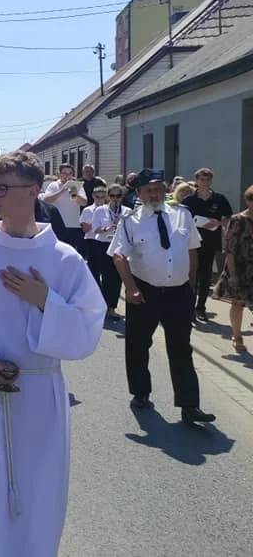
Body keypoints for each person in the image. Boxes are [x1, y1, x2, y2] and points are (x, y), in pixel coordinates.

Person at [0, 151, 106, 557]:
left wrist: (46, 300)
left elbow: (89, 324)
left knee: (40, 489)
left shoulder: (63, 258)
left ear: (33, 191)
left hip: (41, 393)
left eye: (2, 188)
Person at [108, 169, 215, 425]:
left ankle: (190, 406)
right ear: (139, 193)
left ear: (165, 189)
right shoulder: (130, 221)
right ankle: (141, 392)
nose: (154, 193)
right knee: (138, 345)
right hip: (144, 292)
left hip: (178, 293)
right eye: (148, 190)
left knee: (181, 348)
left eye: (158, 188)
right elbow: (118, 256)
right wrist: (131, 288)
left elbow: (192, 250)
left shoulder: (183, 215)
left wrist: (190, 285)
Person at [181, 168, 234, 321]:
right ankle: (189, 308)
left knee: (205, 277)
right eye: (202, 179)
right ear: (196, 181)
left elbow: (228, 218)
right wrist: (195, 223)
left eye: (207, 179)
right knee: (192, 276)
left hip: (210, 242)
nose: (204, 182)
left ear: (211, 181)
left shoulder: (219, 199)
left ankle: (201, 307)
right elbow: (181, 220)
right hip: (192, 244)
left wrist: (218, 222)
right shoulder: (189, 200)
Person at [214, 186, 253, 352]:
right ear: (248, 201)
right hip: (240, 267)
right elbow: (229, 249)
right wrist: (233, 274)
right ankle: (237, 336)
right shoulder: (238, 220)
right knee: (238, 303)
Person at [90, 185, 131, 321]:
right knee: (106, 278)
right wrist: (105, 229)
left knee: (117, 278)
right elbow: (95, 230)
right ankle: (104, 306)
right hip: (103, 245)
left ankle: (112, 308)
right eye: (112, 196)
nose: (115, 199)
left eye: (118, 196)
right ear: (108, 196)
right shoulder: (100, 210)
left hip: (120, 246)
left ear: (121, 197)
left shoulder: (127, 211)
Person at [40, 164, 87, 250]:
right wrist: (61, 191)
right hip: (57, 225)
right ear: (59, 174)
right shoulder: (53, 185)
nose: (67, 176)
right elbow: (46, 200)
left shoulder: (76, 186)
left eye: (70, 173)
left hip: (73, 226)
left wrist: (75, 193)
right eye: (64, 173)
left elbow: (84, 203)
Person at [79, 185, 107, 265]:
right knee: (93, 266)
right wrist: (96, 216)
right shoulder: (87, 210)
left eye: (102, 197)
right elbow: (85, 229)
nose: (100, 199)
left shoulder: (108, 210)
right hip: (91, 240)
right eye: (97, 197)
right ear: (93, 196)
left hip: (104, 240)